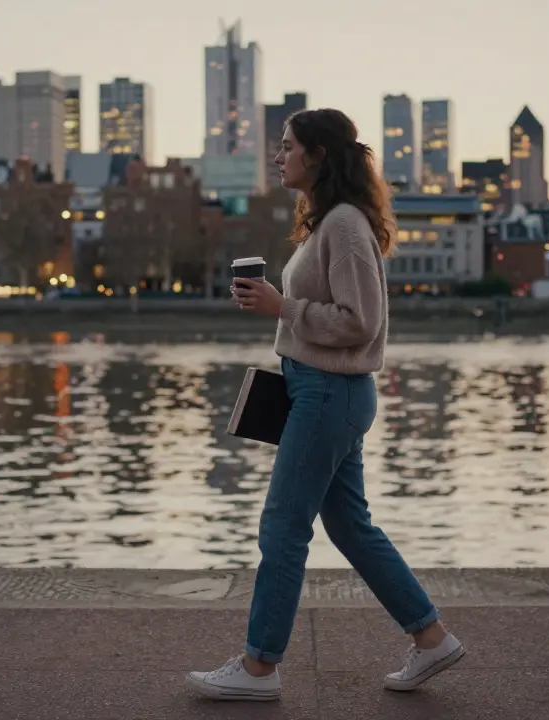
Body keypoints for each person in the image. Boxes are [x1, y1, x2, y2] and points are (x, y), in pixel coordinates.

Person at [185, 108, 465, 701]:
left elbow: (360, 322)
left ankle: (259, 668)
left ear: (317, 155)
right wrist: (280, 309)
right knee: (349, 527)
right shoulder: (330, 222)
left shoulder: (342, 225)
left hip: (328, 392)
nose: (278, 156)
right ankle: (432, 637)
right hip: (322, 390)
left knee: (283, 528)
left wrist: (280, 307)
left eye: (287, 146)